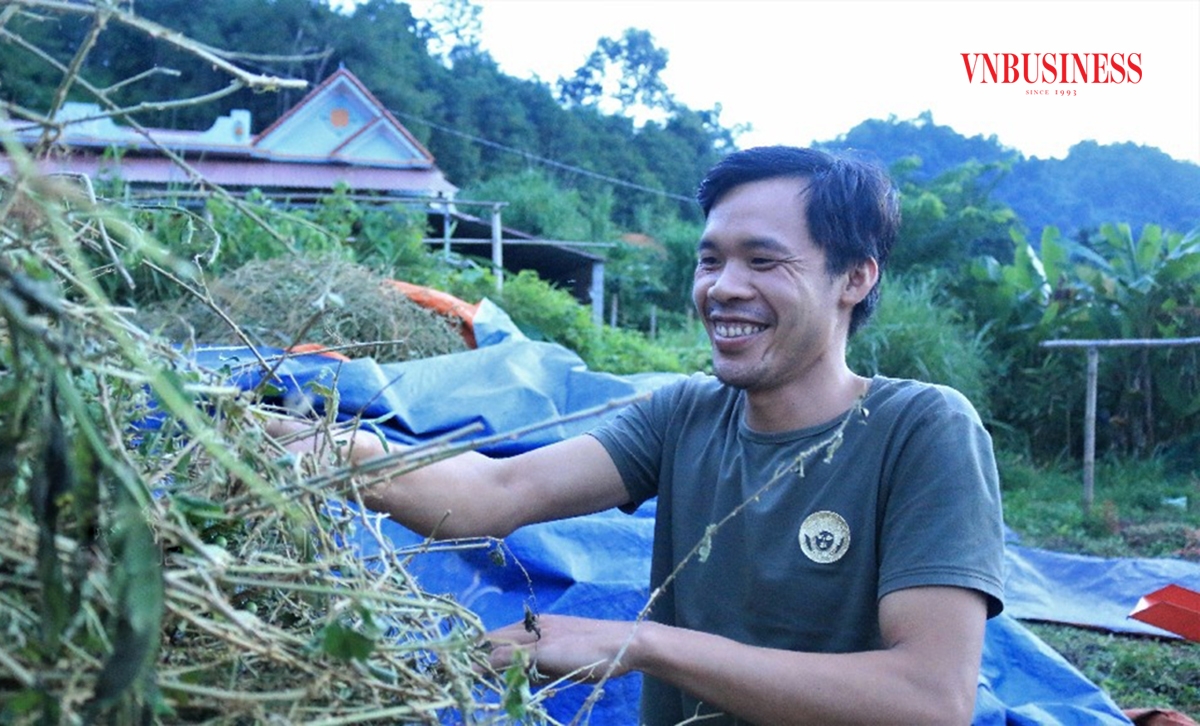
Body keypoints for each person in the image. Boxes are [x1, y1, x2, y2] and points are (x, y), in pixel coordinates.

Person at [273, 145, 1005, 725]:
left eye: (763, 259)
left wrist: (640, 642)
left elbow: (929, 699)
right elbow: (493, 493)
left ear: (854, 278)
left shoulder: (920, 431)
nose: (722, 287)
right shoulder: (685, 414)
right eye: (710, 258)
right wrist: (339, 454)